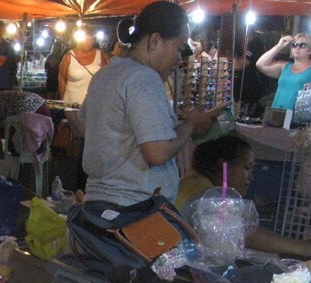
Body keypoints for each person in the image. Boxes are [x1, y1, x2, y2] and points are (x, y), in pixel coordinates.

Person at [80, 1, 216, 208]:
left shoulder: (105, 73)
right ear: (154, 41)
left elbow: (84, 122)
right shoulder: (144, 78)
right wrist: (191, 124)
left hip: (98, 206)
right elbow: (158, 152)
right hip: (134, 210)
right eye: (178, 49)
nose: (179, 59)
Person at [177, 134, 311, 259]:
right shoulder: (209, 196)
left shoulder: (195, 182)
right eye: (247, 168)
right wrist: (303, 247)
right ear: (223, 165)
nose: (251, 177)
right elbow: (244, 234)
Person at [256, 32, 311, 111]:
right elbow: (260, 65)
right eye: (294, 45)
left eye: (302, 45)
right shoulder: (285, 66)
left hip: (300, 117)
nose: (297, 47)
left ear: (310, 50)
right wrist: (279, 46)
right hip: (277, 115)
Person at [0, 89, 51, 154]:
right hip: (40, 102)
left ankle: (21, 163)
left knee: (15, 146)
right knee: (38, 143)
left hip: (28, 110)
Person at [59, 30, 108, 105]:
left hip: (94, 103)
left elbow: (106, 77)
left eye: (91, 39)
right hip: (72, 103)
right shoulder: (69, 56)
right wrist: (63, 99)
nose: (89, 42)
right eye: (86, 39)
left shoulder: (100, 54)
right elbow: (62, 79)